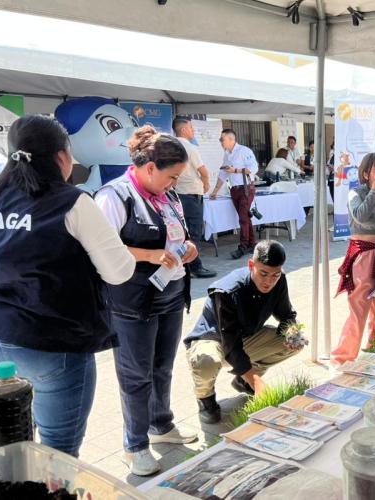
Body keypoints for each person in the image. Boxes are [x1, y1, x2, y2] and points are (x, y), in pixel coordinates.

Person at [0, 116, 135, 457]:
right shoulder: (72, 201)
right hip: (48, 343)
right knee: (57, 455)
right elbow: (119, 272)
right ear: (62, 157)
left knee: (8, 443)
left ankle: (12, 482)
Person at [95, 125, 199, 476]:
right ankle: (135, 444)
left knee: (162, 366)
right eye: (172, 177)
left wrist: (188, 247)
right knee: (135, 375)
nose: (174, 184)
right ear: (150, 167)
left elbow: (179, 234)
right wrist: (148, 255)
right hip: (132, 302)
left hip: (171, 293)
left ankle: (161, 424)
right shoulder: (115, 196)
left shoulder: (168, 195)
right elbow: (100, 249)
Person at [184, 241, 303, 423]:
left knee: (293, 343)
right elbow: (230, 344)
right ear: (251, 265)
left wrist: (293, 332)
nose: (269, 281)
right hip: (213, 340)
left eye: (275, 275)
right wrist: (257, 382)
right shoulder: (227, 291)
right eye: (263, 273)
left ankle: (244, 380)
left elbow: (286, 314)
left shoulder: (279, 280)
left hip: (245, 337)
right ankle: (205, 398)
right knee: (206, 361)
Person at [331, 153, 375, 364]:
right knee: (358, 309)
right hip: (364, 255)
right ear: (365, 174)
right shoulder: (356, 194)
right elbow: (360, 216)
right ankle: (343, 358)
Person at [172, 118, 216, 279]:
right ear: (183, 130)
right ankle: (194, 267)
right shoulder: (190, 147)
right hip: (191, 194)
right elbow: (203, 171)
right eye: (191, 127)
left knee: (182, 233)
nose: (193, 130)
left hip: (176, 194)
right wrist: (206, 183)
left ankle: (185, 266)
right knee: (194, 233)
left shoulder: (170, 146)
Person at [210, 129, 258, 259]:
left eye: (222, 139)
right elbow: (223, 174)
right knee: (245, 217)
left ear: (231, 139)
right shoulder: (227, 154)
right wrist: (214, 192)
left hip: (246, 188)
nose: (221, 142)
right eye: (220, 139)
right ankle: (252, 244)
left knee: (243, 218)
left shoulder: (244, 151)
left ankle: (243, 246)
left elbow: (253, 169)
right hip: (235, 190)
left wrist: (235, 170)